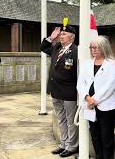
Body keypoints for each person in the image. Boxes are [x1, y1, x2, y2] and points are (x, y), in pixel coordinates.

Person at [77, 36, 115, 159]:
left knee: (106, 137)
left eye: (96, 47)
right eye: (92, 47)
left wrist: (94, 99)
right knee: (95, 135)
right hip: (89, 106)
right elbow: (81, 83)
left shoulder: (111, 64)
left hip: (105, 106)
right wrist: (86, 97)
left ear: (104, 48)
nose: (93, 50)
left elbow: (111, 85)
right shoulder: (87, 64)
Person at [40, 25, 78, 157]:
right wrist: (51, 37)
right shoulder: (57, 47)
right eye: (60, 34)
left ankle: (71, 146)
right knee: (61, 118)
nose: (61, 36)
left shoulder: (75, 51)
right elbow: (43, 47)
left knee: (70, 119)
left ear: (72, 37)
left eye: (64, 34)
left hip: (68, 92)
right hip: (55, 90)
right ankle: (63, 144)